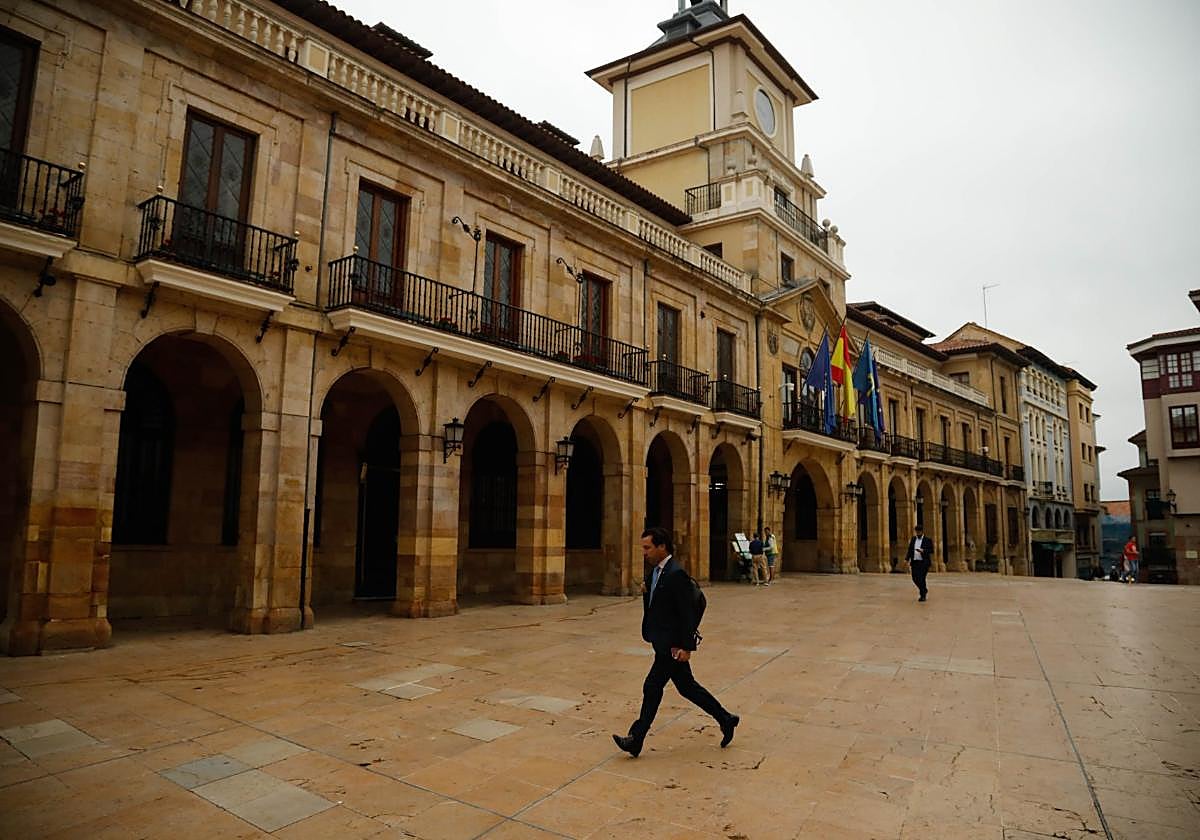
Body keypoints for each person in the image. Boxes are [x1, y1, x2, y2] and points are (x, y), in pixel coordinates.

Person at [613, 527, 739, 758]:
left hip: (672, 645)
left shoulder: (675, 573)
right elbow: (658, 605)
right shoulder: (655, 572)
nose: (644, 553)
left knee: (652, 687)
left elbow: (686, 614)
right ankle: (726, 718)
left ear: (662, 547)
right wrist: (646, 592)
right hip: (662, 641)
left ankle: (636, 738)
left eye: (648, 548)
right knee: (687, 687)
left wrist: (686, 647)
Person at [907, 523, 934, 602]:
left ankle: (923, 595)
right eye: (916, 531)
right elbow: (910, 550)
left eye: (919, 531)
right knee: (914, 578)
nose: (917, 533)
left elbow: (931, 550)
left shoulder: (927, 540)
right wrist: (906, 559)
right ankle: (924, 589)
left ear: (922, 531)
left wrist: (923, 551)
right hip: (915, 562)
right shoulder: (913, 539)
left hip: (923, 563)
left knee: (921, 578)